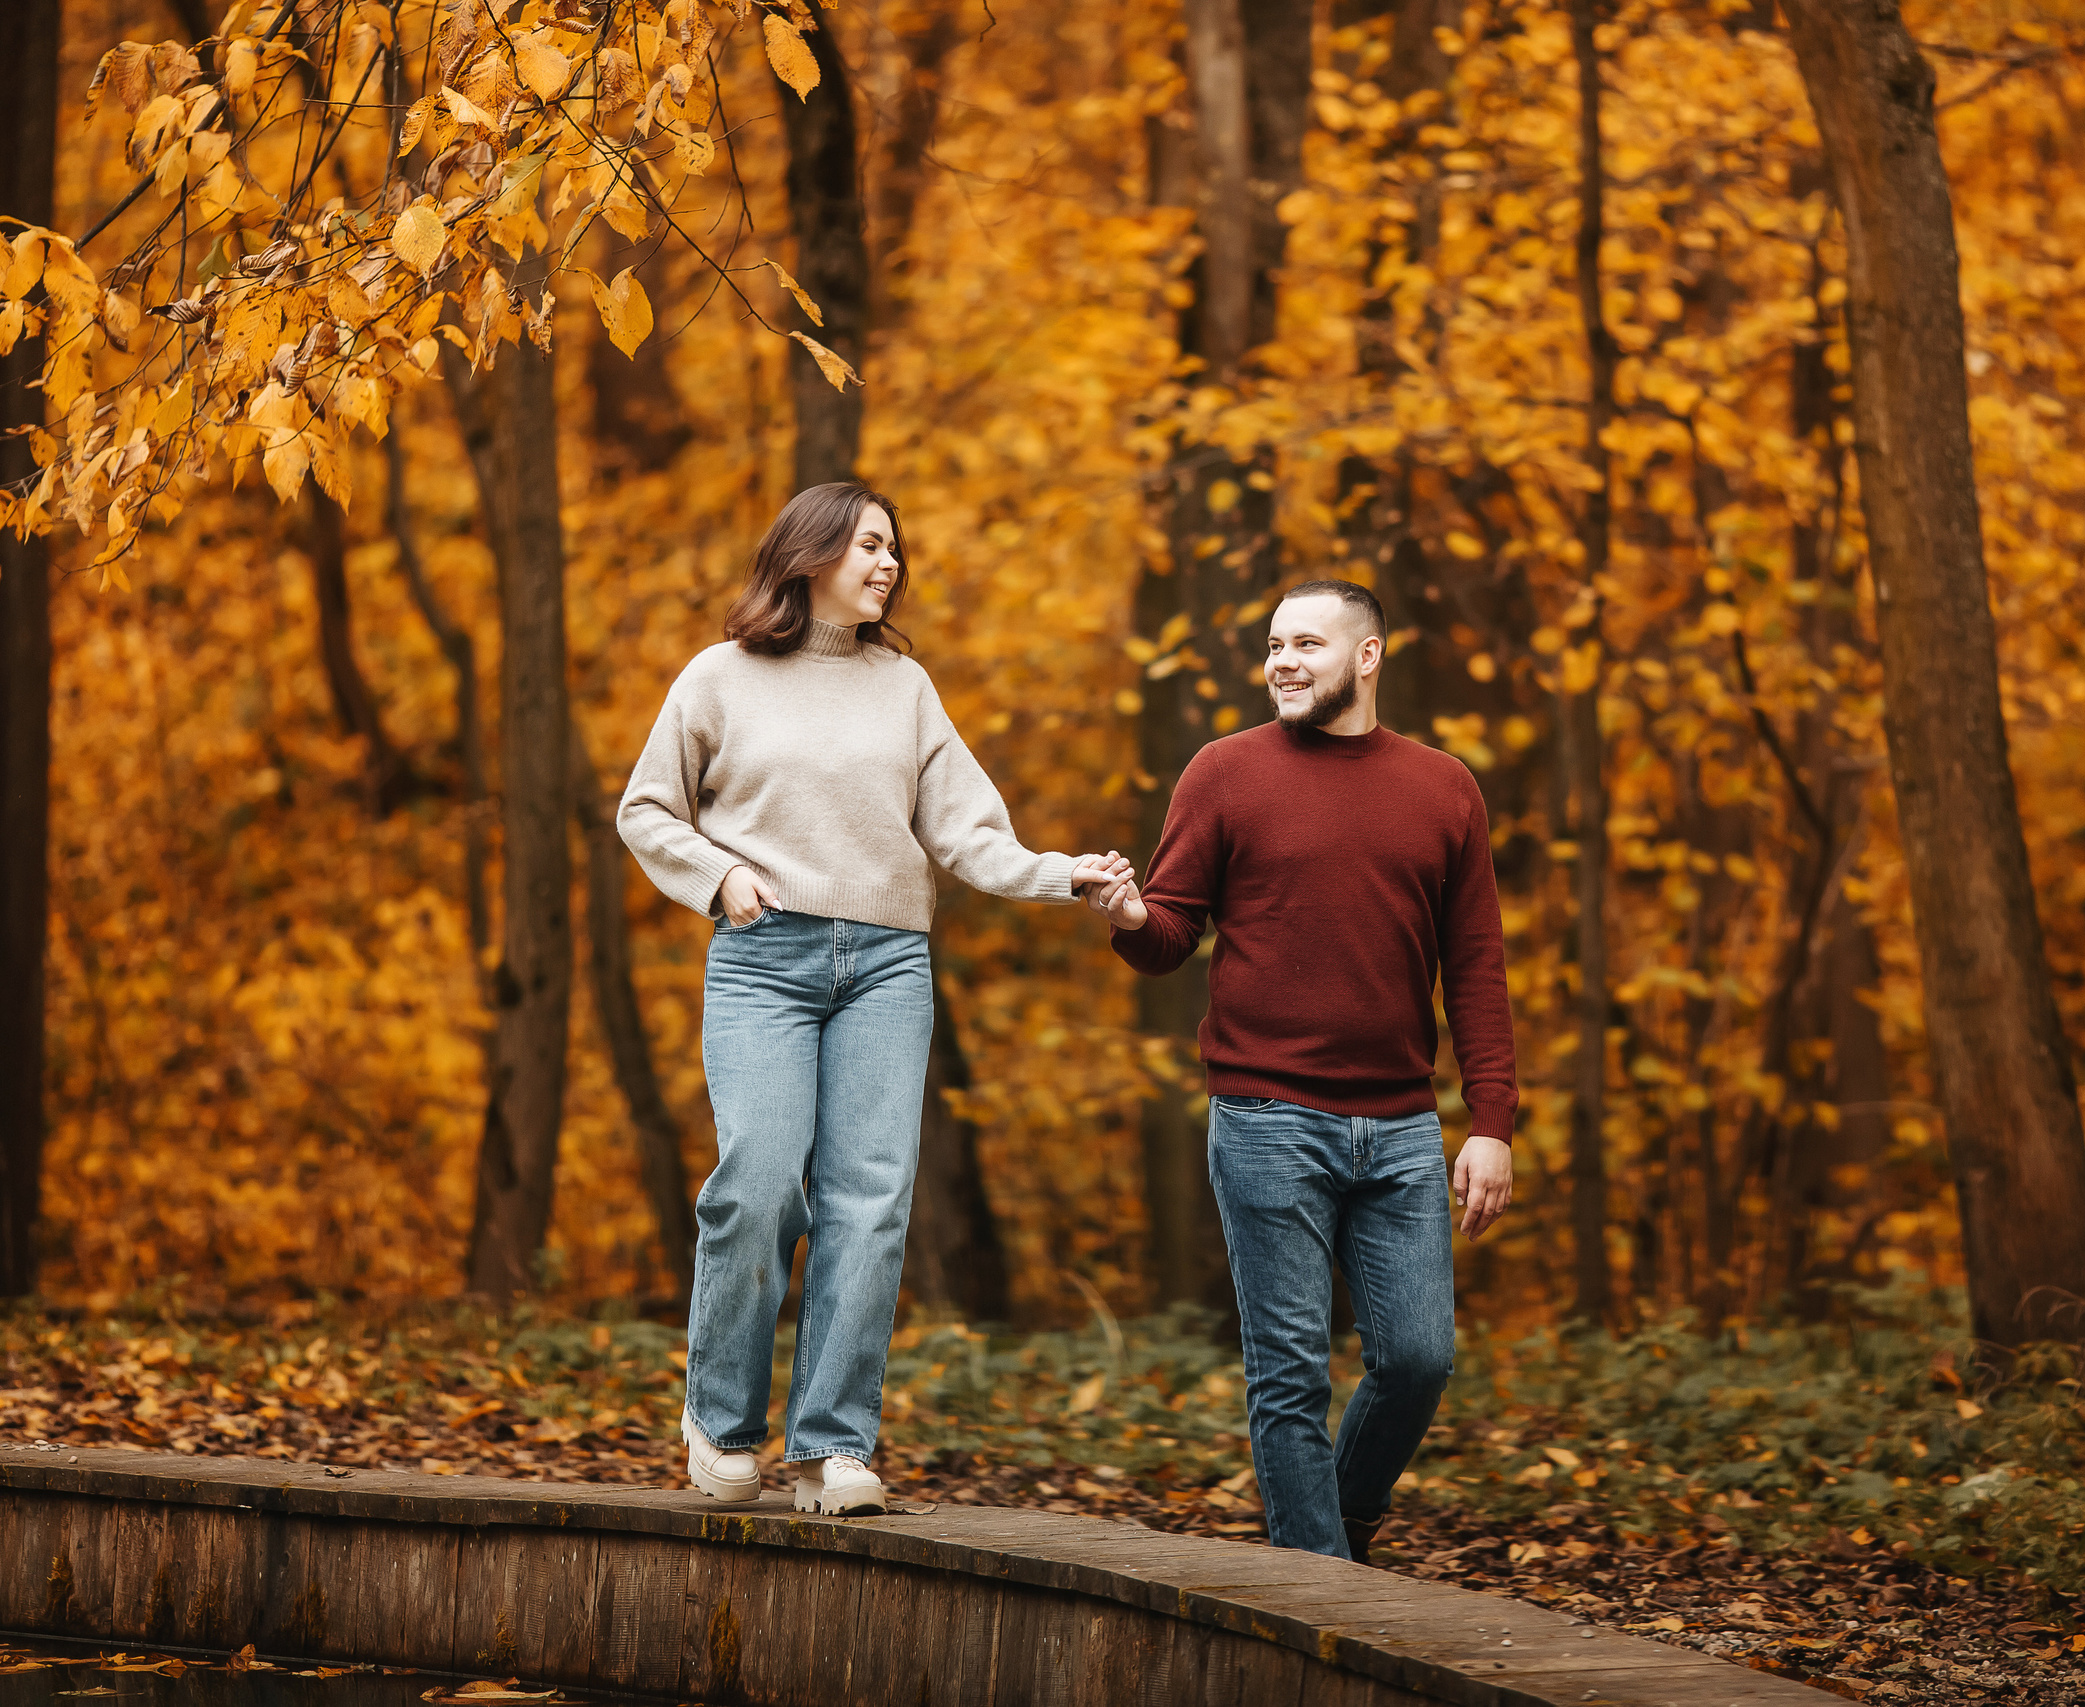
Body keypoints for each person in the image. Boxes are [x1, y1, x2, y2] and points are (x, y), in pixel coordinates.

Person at [619, 482, 1131, 1516]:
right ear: (808, 554)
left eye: (894, 546)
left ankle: (831, 1448)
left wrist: (1059, 872)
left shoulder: (904, 687)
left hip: (888, 966)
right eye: (867, 544)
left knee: (869, 1201)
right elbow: (647, 809)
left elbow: (967, 830)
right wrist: (720, 874)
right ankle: (720, 1423)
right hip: (764, 957)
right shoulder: (719, 677)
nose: (888, 562)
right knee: (760, 1182)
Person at [1085, 578, 1517, 1563]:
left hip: (1401, 1126)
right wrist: (1128, 916)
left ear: (1367, 656)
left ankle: (1341, 1523)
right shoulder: (1223, 772)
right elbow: (1168, 936)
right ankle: (1320, 1594)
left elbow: (1476, 965)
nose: (1282, 661)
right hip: (1265, 1116)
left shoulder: (1444, 786)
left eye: (1307, 644)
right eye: (1275, 644)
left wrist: (1490, 1121)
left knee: (1417, 1360)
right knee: (1288, 1379)